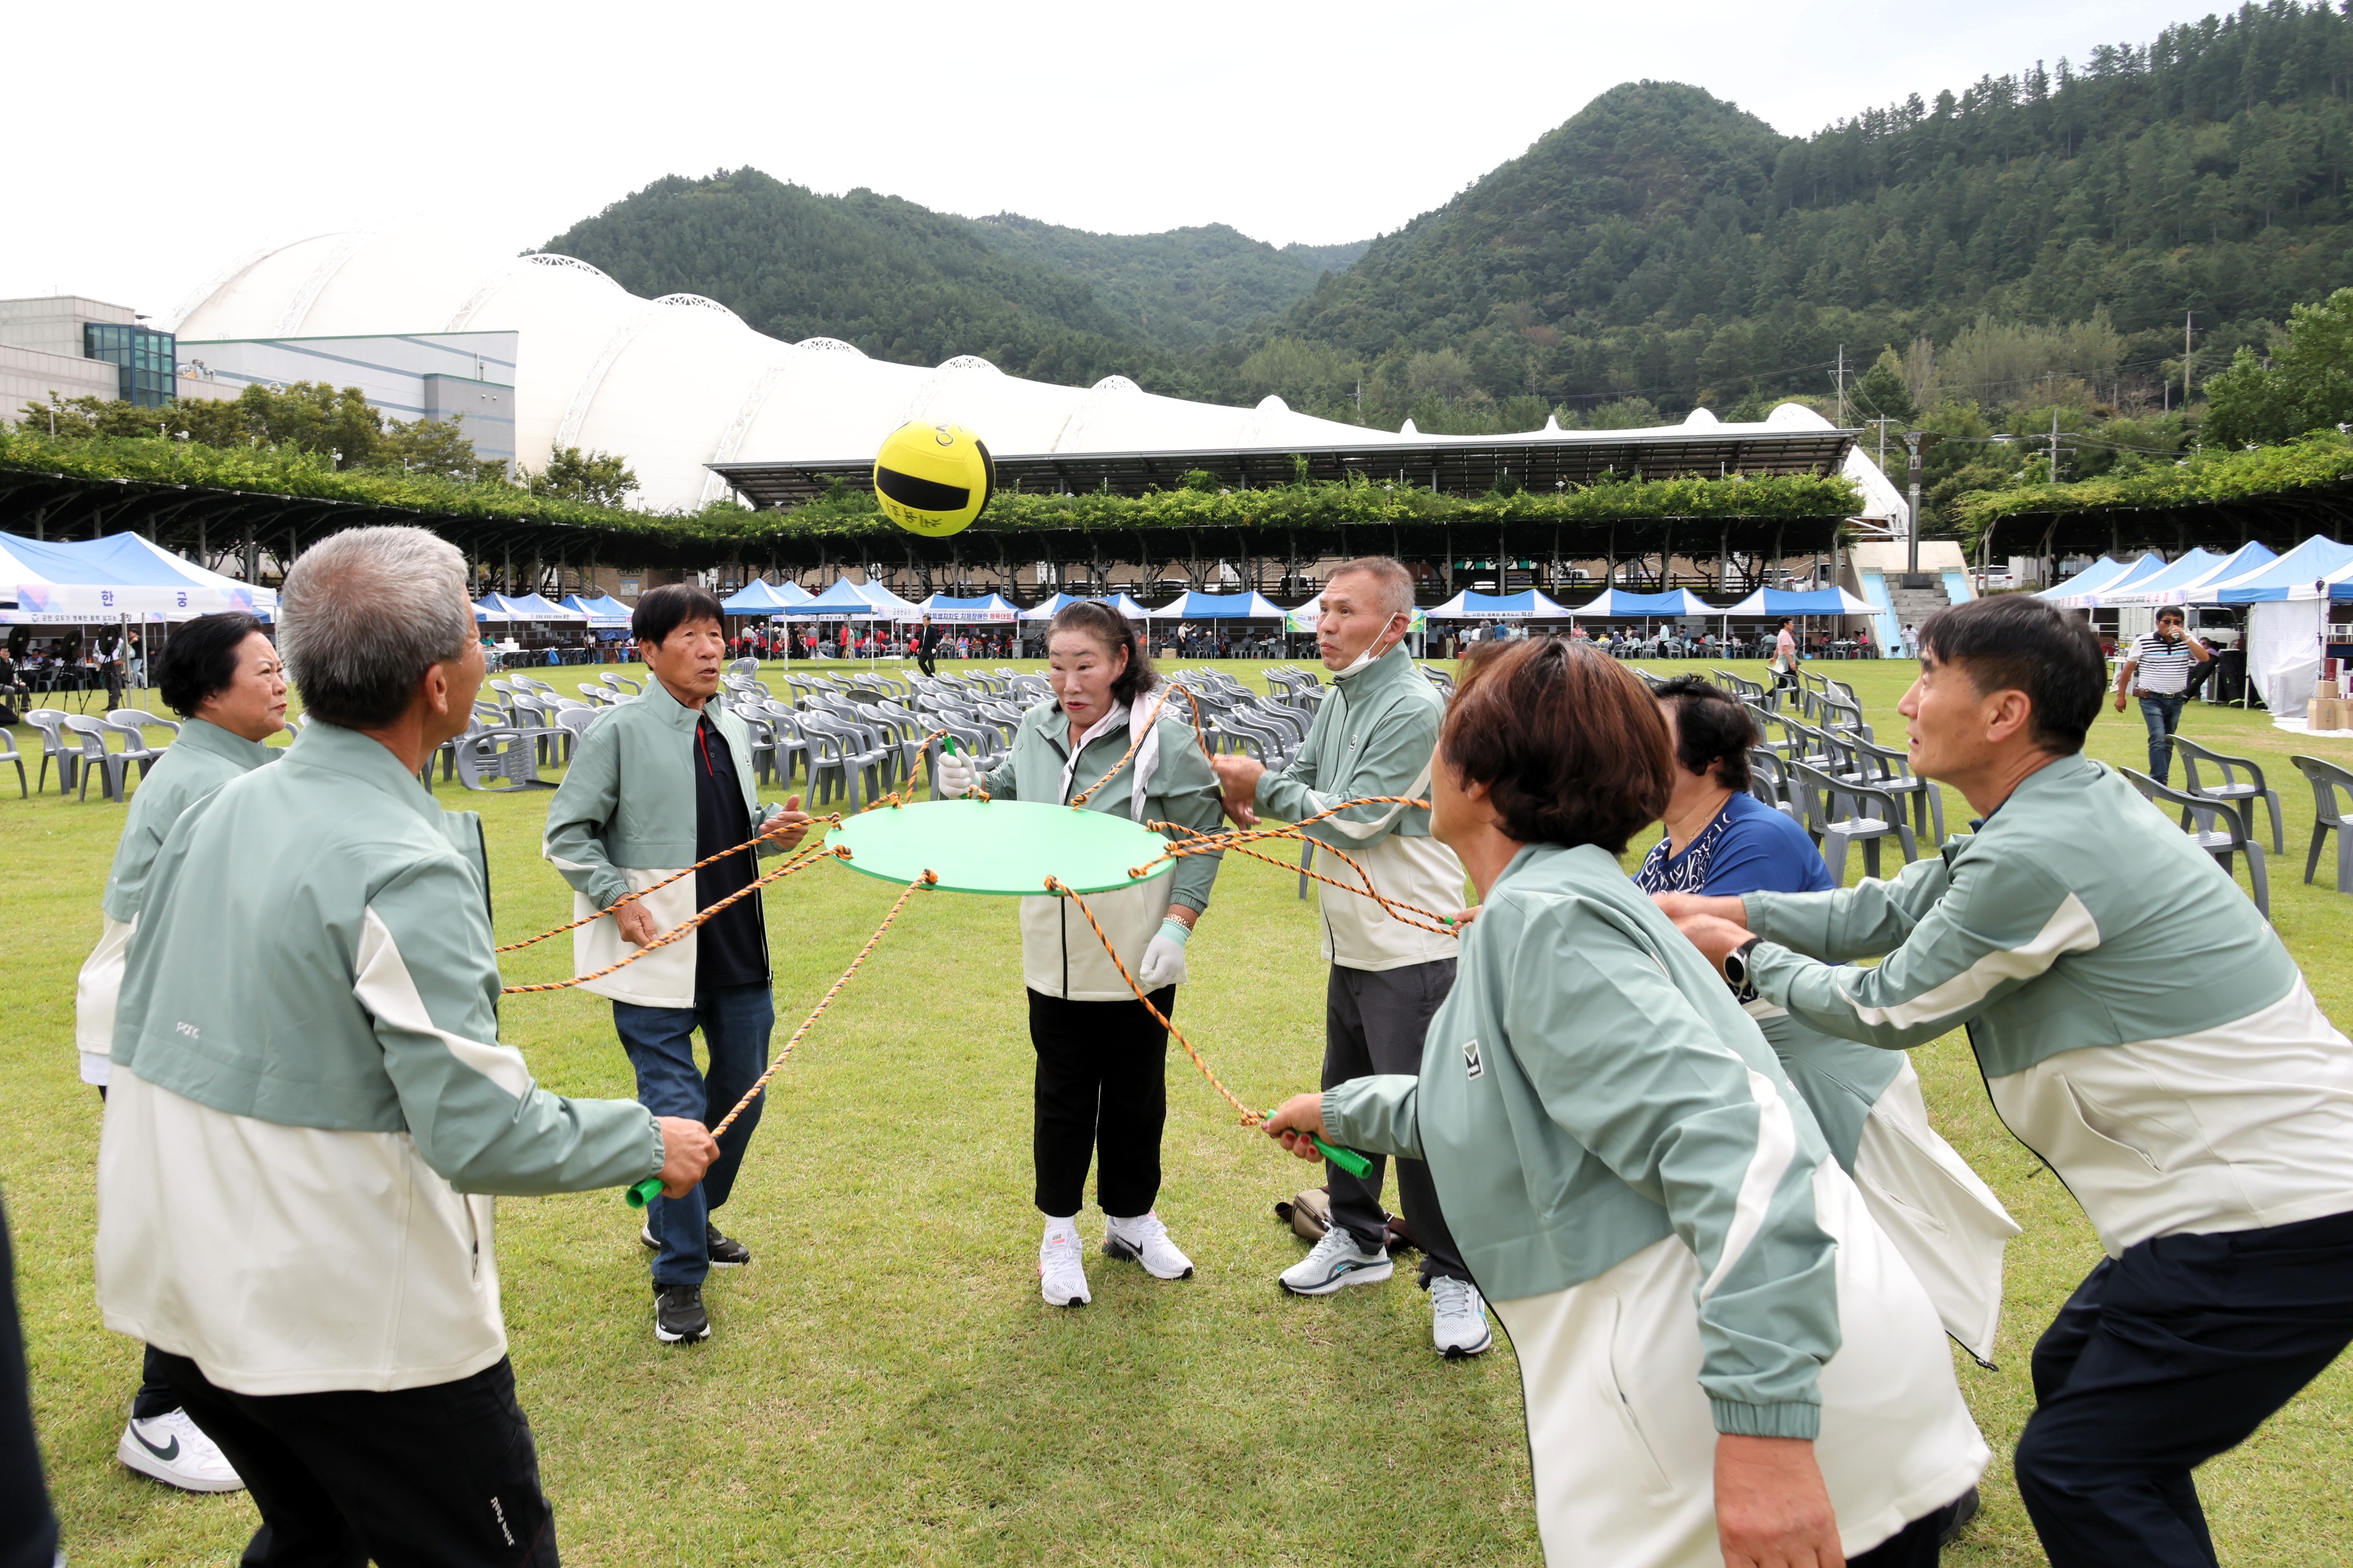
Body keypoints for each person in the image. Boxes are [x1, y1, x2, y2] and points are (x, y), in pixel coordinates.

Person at [1663, 593, 2353, 1568]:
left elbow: (1887, 1006)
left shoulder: (2041, 844)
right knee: (2073, 1375)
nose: (1906, 701)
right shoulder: (2052, 805)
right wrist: (1727, 908)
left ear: (2004, 713)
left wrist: (1739, 953)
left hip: (2273, 1212)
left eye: (1926, 675)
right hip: (2251, 1206)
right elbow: (1890, 908)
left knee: (2082, 1466)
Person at [1264, 639, 1986, 1567]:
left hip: (1769, 1418)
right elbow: (1498, 1092)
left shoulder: (1546, 919)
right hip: (1788, 1394)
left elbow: (1737, 1143)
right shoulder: (1557, 899)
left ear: (1477, 778)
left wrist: (1765, 1436)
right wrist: (1342, 1110)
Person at [97, 525, 719, 1567]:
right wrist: (650, 1140)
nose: (486, 654)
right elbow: (479, 1129)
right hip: (348, 1324)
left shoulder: (220, 804)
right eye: (477, 635)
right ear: (438, 682)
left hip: (185, 1279)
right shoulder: (406, 860)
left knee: (314, 1535)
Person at [1639, 677, 2019, 1370]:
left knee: (1872, 1243)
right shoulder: (1665, 850)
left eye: (1648, 738)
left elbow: (1705, 972)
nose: (1629, 750)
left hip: (1821, 1074)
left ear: (1708, 758)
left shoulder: (1755, 834)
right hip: (1758, 1071)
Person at [1209, 557, 1489, 1358]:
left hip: (1413, 945)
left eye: (1343, 611)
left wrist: (1263, 786)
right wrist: (1250, 784)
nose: (1324, 625)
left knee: (1423, 1115)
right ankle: (1358, 1235)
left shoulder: (1411, 704)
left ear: (1394, 627)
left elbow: (1356, 820)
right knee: (1347, 1098)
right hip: (1353, 942)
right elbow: (1301, 779)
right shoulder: (1342, 696)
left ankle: (1454, 1270)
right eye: (1322, 609)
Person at [543, 583, 811, 1345]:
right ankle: (680, 1274)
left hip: (736, 949)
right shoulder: (617, 732)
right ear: (648, 650)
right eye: (690, 635)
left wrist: (770, 829)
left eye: (716, 633)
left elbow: (730, 825)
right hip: (654, 952)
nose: (710, 648)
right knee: (676, 1110)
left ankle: (676, 1212)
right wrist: (613, 895)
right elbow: (567, 833)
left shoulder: (729, 723)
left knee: (741, 1098)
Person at [935, 600, 1224, 1308]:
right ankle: (1058, 1234)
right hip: (1052, 951)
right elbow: (1009, 795)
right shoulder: (1036, 728)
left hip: (1137, 953)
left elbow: (1202, 834)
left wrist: (1178, 925)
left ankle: (1131, 1220)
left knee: (1136, 1095)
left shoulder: (1161, 736)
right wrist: (970, 789)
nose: (1068, 682)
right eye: (1057, 665)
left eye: (1084, 665)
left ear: (1122, 660)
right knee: (1061, 1096)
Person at [74, 612, 291, 1493]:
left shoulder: (236, 766)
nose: (281, 682)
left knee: (224, 1214)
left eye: (281, 666)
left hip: (172, 1019)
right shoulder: (211, 780)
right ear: (209, 690)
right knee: (197, 1222)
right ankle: (159, 1416)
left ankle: (218, 1387)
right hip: (159, 1024)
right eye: (263, 669)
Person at [2113, 605, 2211, 784]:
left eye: (2177, 622)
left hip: (2176, 698)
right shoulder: (2143, 641)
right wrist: (2121, 696)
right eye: (2167, 621)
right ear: (2158, 623)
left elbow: (2204, 658)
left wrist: (2185, 638)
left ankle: (2161, 779)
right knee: (2158, 736)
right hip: (2151, 697)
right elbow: (2128, 670)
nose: (2172, 625)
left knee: (2168, 740)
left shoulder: (2187, 640)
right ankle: (2159, 779)